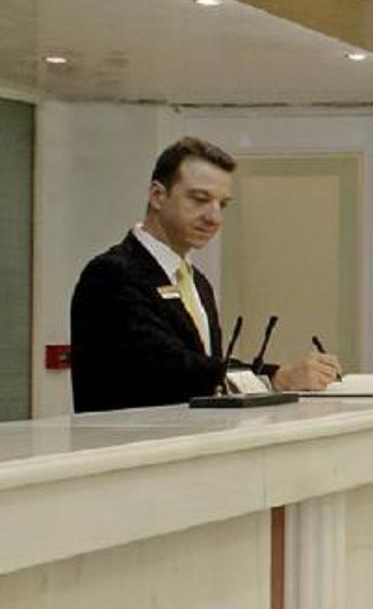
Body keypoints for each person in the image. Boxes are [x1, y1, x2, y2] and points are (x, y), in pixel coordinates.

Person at [69, 137, 342, 412]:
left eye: (222, 205)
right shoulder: (111, 274)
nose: (214, 218)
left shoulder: (197, 282)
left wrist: (277, 376)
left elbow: (207, 370)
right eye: (199, 200)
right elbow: (168, 369)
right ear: (157, 195)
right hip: (133, 438)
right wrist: (277, 378)